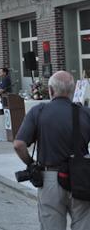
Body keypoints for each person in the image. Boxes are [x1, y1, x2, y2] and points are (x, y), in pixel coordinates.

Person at [14, 71, 90, 229]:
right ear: (72, 90)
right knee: (83, 222)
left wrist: (31, 163)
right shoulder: (84, 113)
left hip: (50, 177)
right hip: (81, 177)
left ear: (50, 90)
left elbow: (19, 145)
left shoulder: (39, 111)